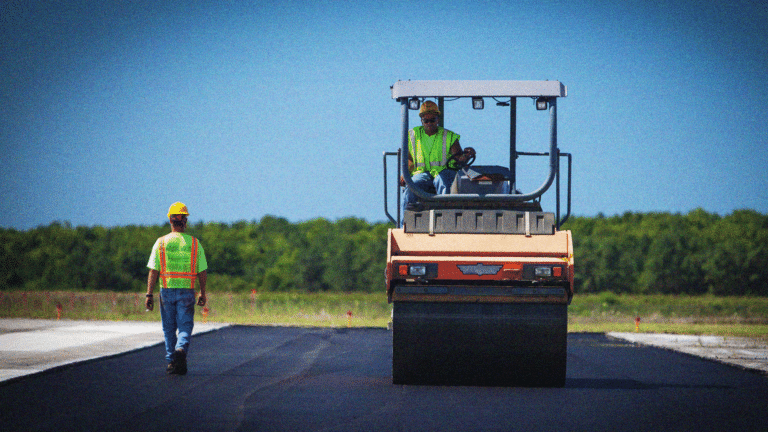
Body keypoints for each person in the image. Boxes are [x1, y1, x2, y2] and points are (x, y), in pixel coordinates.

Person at [145, 202, 208, 375]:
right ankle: (181, 349)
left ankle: (171, 361)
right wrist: (203, 292)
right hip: (187, 291)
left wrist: (149, 294)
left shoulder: (160, 243)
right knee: (185, 326)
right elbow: (202, 271)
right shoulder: (195, 244)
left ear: (170, 221)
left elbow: (153, 271)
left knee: (168, 328)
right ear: (185, 221)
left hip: (166, 290)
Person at [401, 100, 476, 212]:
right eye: (426, 120)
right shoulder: (412, 135)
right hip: (422, 174)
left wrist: (467, 155)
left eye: (432, 120)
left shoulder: (448, 136)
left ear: (437, 119)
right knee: (412, 185)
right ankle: (405, 223)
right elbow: (409, 160)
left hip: (443, 172)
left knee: (443, 181)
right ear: (421, 120)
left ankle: (444, 216)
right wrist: (405, 174)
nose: (429, 123)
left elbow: (459, 159)